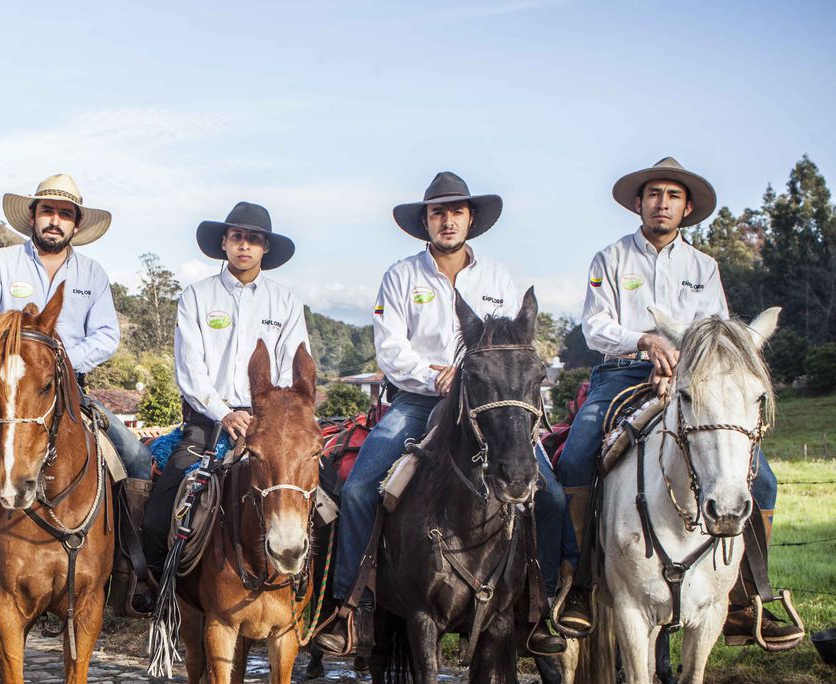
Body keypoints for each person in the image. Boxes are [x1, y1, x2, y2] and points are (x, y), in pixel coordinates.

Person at [317, 172, 572, 655]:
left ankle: (545, 608)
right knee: (357, 489)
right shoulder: (400, 276)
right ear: (426, 222)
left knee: (552, 496)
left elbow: (515, 342)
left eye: (456, 211)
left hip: (491, 405)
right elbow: (389, 346)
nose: (448, 220)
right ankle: (346, 606)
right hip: (419, 400)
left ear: (471, 219)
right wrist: (435, 376)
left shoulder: (499, 278)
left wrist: (484, 377)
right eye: (438, 212)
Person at [553, 157, 799, 650]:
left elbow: (722, 332)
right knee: (576, 457)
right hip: (620, 374)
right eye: (653, 195)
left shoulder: (703, 267)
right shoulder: (610, 259)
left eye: (672, 196)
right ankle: (575, 586)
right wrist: (644, 342)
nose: (661, 203)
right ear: (638, 204)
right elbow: (595, 326)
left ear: (686, 209)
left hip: (694, 377)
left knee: (764, 479)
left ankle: (750, 596)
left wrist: (686, 362)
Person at [0, 173, 152, 624]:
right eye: (47, 211)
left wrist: (55, 360)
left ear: (75, 224)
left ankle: (130, 572)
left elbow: (108, 335)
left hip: (69, 389)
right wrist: (12, 353)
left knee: (135, 459)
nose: (54, 221)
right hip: (3, 390)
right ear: (33, 217)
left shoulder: (92, 275)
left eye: (65, 214)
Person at [141, 202, 309, 570]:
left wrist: (266, 418)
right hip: (207, 423)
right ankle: (159, 589)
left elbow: (294, 367)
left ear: (266, 247)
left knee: (325, 503)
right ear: (224, 243)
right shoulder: (197, 297)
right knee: (158, 514)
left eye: (253, 239)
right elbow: (191, 370)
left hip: (269, 426)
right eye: (237, 237)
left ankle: (323, 599)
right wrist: (224, 413)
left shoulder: (286, 302)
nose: (244, 246)